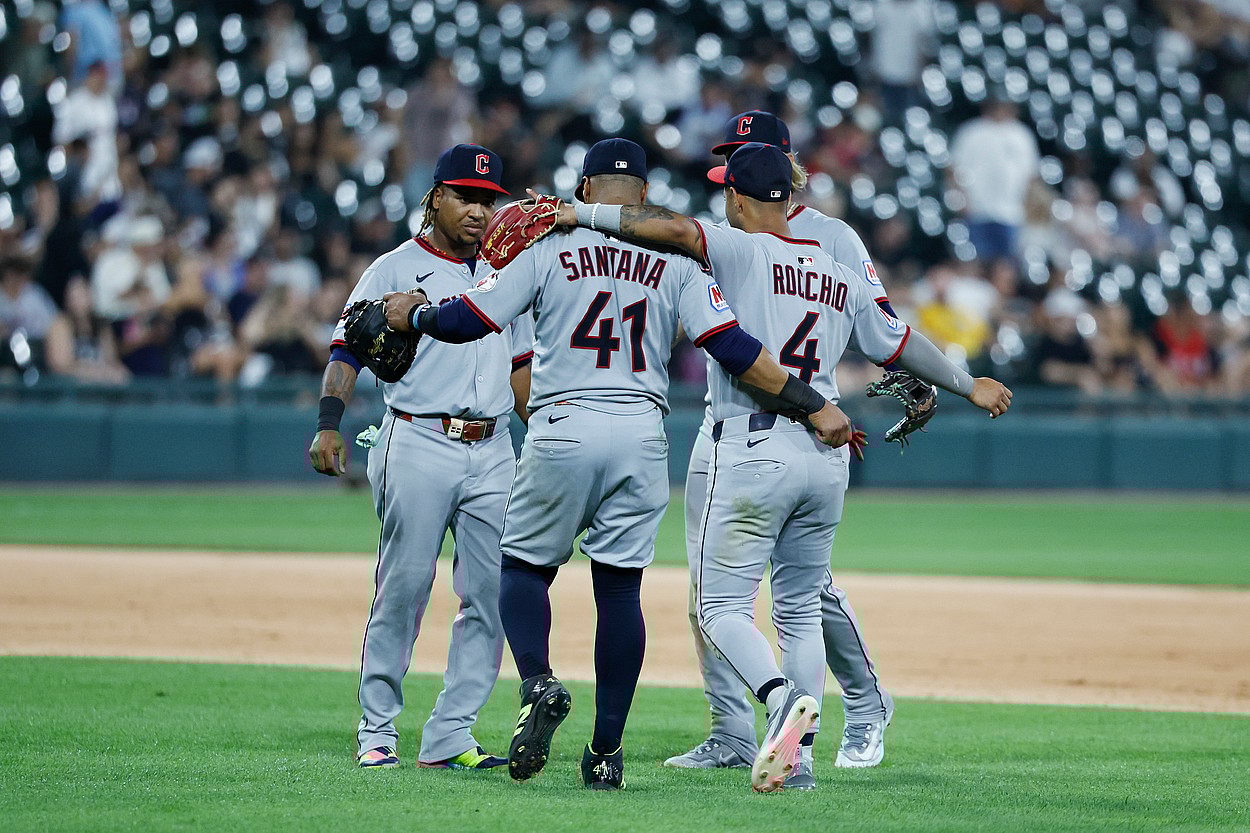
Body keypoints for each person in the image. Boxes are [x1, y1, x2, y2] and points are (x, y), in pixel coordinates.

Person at [390, 139, 857, 790]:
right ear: (640, 197)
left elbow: (470, 319)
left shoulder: (547, 242)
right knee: (618, 590)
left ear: (583, 192)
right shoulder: (675, 258)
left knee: (522, 569)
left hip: (563, 422)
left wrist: (412, 311)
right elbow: (735, 348)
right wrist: (812, 402)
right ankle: (606, 751)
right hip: (642, 430)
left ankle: (539, 681)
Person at [559, 142, 1012, 791]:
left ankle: (777, 704)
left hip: (754, 444)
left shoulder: (741, 247)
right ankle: (797, 759)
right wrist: (969, 384)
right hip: (827, 454)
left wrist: (582, 217)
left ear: (738, 198)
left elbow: (671, 229)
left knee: (719, 607)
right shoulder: (837, 271)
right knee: (798, 609)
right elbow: (900, 341)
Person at [667, 111, 918, 774]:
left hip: (772, 429)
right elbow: (876, 331)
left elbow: (865, 325)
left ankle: (822, 703)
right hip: (774, 434)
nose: (729, 167)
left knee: (744, 598)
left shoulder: (793, 238)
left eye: (744, 157)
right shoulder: (782, 248)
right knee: (767, 598)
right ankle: (763, 741)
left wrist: (584, 213)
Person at [307, 144, 533, 771]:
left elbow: (521, 374)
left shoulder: (508, 272)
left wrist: (545, 450)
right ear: (436, 197)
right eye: (466, 197)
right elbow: (346, 350)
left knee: (490, 596)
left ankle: (450, 735)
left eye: (490, 200)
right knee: (404, 587)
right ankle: (377, 729)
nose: (480, 211)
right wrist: (329, 425)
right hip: (418, 439)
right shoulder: (393, 267)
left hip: (494, 449)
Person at [948, 95, 1040, 264]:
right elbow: (954, 169)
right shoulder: (971, 131)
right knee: (975, 262)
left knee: (1006, 265)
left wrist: (1027, 205)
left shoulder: (1022, 135)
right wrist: (961, 200)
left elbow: (1031, 176)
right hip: (977, 210)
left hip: (1011, 212)